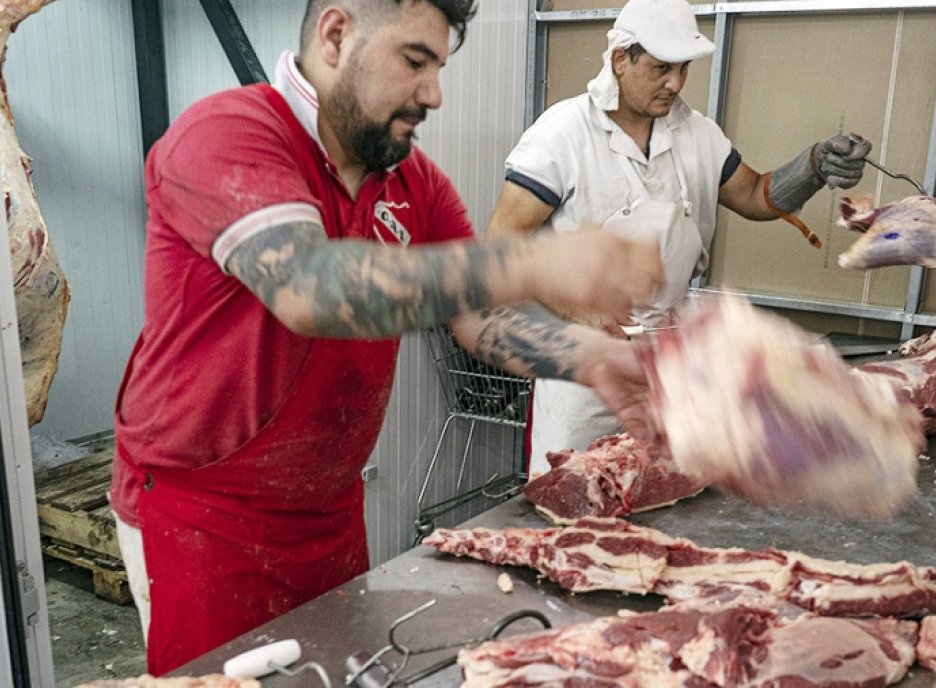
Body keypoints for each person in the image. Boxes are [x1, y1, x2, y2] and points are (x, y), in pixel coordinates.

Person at [109, 0, 664, 675]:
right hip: (204, 515)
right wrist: (531, 260)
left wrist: (596, 359)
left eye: (439, 68)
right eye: (414, 62)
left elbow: (477, 316)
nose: (433, 93)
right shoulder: (228, 134)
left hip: (326, 509)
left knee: (341, 675)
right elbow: (311, 288)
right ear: (336, 35)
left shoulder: (411, 181)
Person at [485, 0, 873, 475]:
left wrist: (813, 166)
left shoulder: (698, 135)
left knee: (656, 508)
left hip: (667, 368)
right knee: (577, 503)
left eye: (683, 69)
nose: (675, 83)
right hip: (585, 374)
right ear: (619, 59)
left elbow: (753, 193)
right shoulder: (562, 136)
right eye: (661, 68)